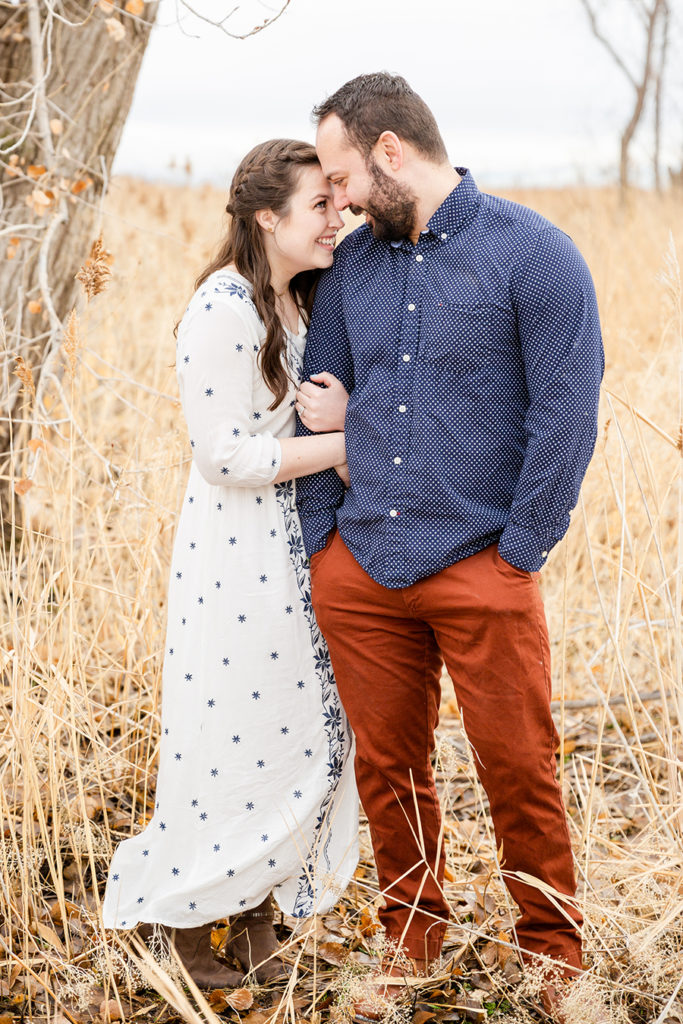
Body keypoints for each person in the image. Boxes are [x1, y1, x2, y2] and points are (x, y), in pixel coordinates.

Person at [294, 74, 604, 1021]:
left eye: (342, 177)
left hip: (481, 564)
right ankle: (409, 940)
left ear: (390, 153)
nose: (335, 200)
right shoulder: (354, 272)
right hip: (364, 569)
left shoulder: (535, 255)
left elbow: (567, 414)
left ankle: (553, 952)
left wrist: (519, 553)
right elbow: (319, 395)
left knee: (518, 764)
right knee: (388, 769)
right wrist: (322, 549)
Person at [102, 139, 359, 988]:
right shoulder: (222, 308)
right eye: (318, 204)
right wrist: (342, 443)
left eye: (337, 200)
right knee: (229, 733)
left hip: (297, 542)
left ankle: (257, 905)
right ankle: (182, 916)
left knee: (295, 730)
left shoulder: (297, 303)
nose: (338, 215)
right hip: (237, 553)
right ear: (265, 217)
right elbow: (222, 457)